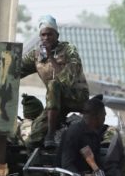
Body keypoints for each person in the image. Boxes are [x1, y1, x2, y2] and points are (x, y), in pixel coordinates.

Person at [20, 15, 89, 149]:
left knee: (53, 84)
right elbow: (15, 69)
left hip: (76, 97)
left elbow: (66, 79)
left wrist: (50, 57)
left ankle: (50, 135)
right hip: (56, 103)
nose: (46, 38)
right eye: (43, 35)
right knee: (33, 137)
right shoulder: (36, 55)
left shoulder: (69, 51)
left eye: (49, 34)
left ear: (57, 35)